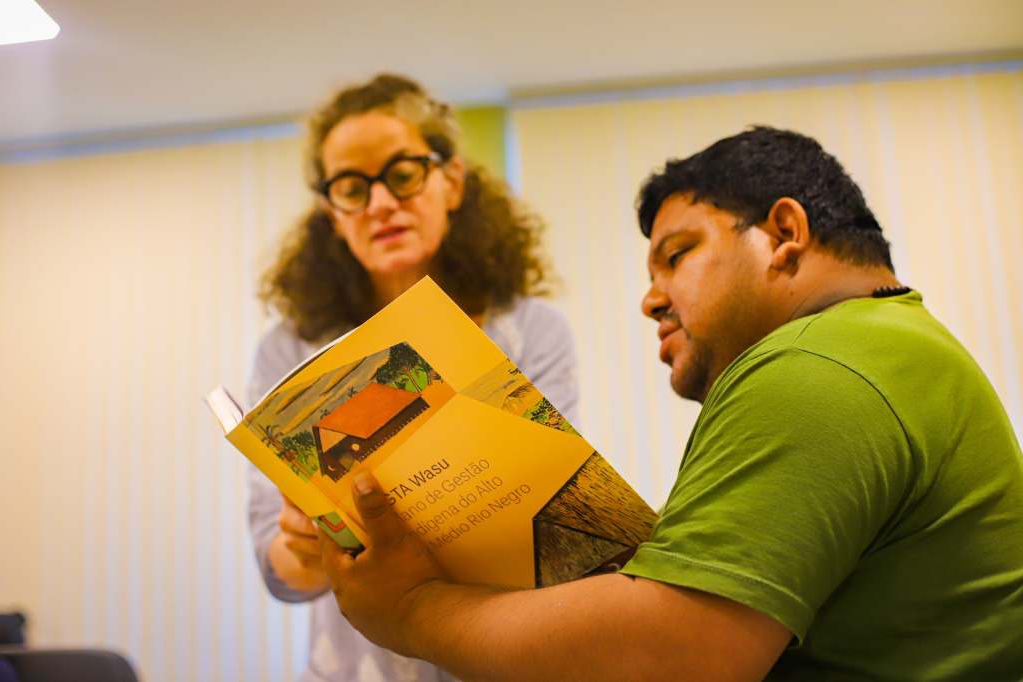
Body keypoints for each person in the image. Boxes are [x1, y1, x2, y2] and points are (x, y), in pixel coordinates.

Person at [315, 126, 1023, 681]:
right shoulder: (884, 346)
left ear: (784, 234)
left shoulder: (815, 364)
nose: (651, 299)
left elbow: (679, 654)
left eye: (677, 255)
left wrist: (410, 610)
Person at [247, 73, 579, 682]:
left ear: (451, 181)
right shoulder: (291, 349)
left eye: (402, 174)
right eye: (352, 188)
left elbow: (554, 516)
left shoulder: (532, 331)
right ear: (331, 212)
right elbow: (280, 572)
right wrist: (303, 544)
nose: (379, 204)